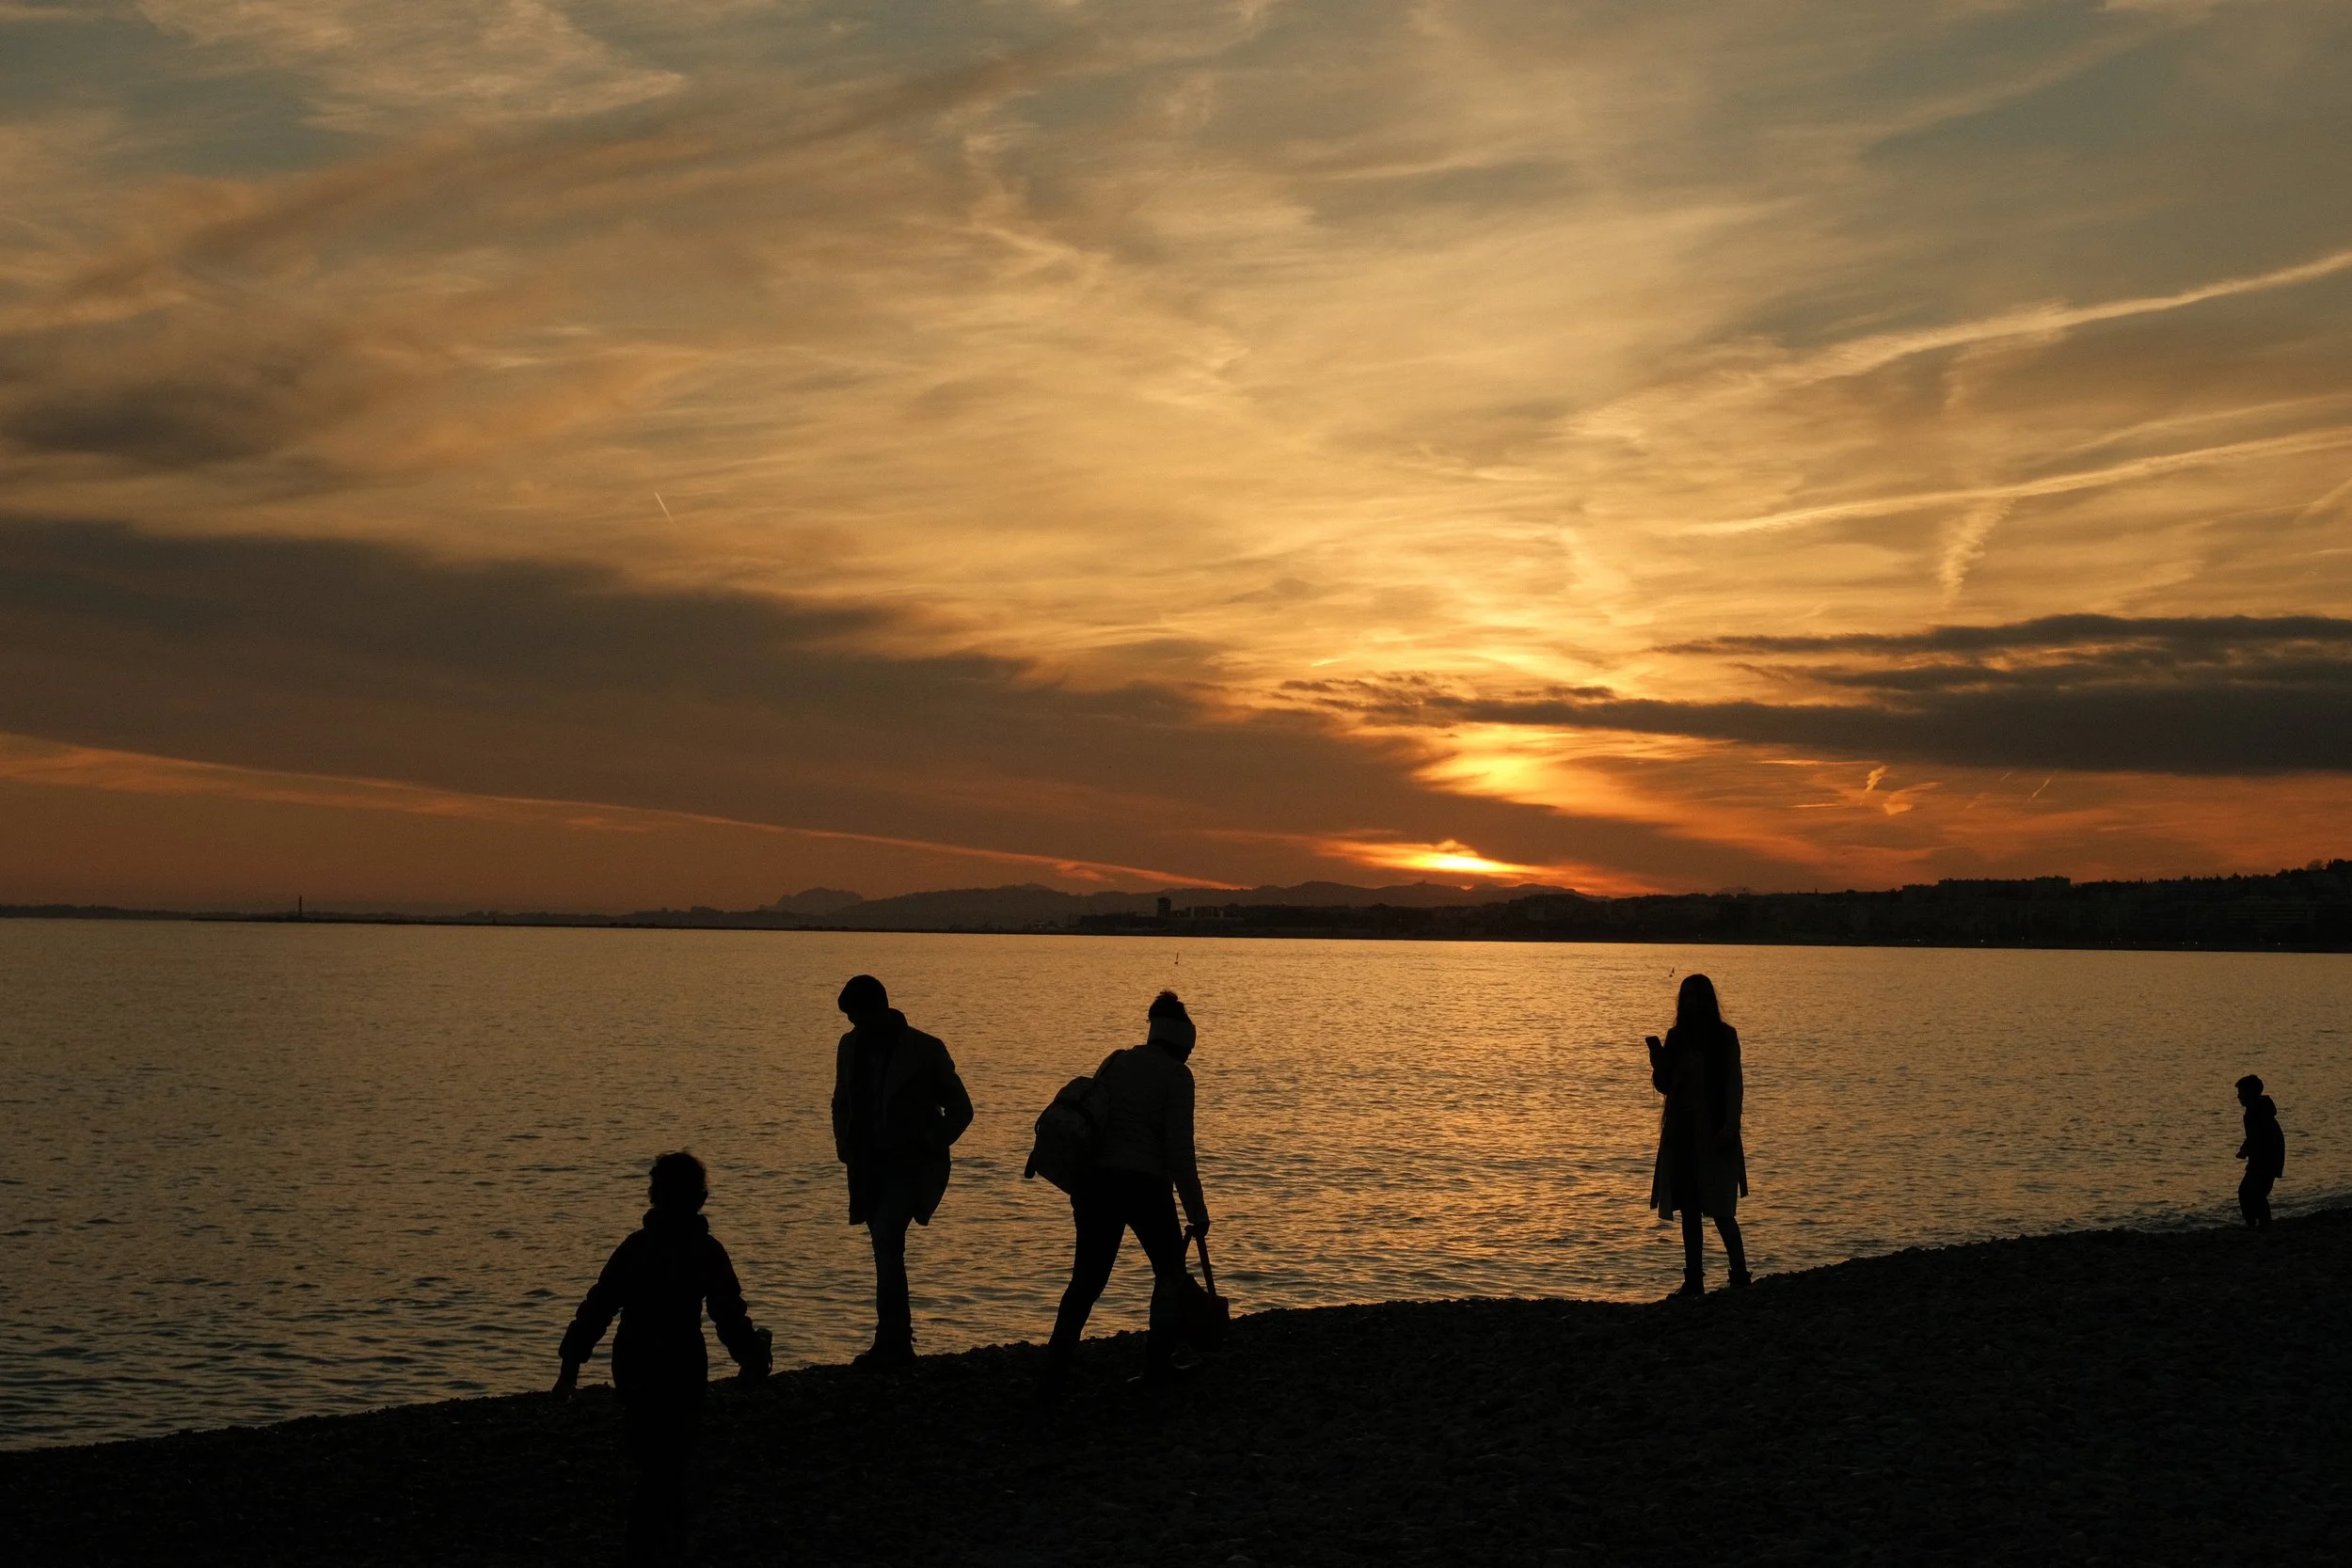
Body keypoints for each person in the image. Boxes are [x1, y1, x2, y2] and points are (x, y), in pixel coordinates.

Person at [554, 1150, 771, 1567]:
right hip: (682, 1359)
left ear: (655, 1196)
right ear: (701, 1200)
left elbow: (597, 1309)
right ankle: (666, 1542)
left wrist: (569, 1371)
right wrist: (750, 1359)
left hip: (634, 1357)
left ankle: (649, 1543)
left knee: (653, 1457)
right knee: (672, 1461)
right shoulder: (706, 1250)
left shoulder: (635, 1248)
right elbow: (728, 1313)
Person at [1041, 990, 1211, 1397]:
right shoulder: (1177, 1076)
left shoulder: (1116, 1061)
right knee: (1169, 1274)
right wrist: (1196, 1211)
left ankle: (1054, 1373)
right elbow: (1179, 1151)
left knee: (1086, 1280)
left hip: (1095, 1183)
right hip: (1145, 1185)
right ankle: (1158, 1366)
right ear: (1184, 1043)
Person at [830, 974, 974, 1370]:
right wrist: (844, 1146)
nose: (853, 1027)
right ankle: (893, 1341)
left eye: (857, 1017)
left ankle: (893, 1343)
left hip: (911, 1166)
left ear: (879, 1010)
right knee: (885, 1249)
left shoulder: (926, 1050)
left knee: (888, 1242)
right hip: (867, 1165)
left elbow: (962, 1110)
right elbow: (840, 1102)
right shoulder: (849, 1047)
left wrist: (931, 1142)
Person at [1646, 974, 1750, 1297]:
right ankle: (1694, 1280)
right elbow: (1665, 1085)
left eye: (1695, 996)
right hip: (1681, 1132)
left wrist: (1730, 1127)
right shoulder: (1676, 1038)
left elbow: (1734, 1086)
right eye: (1685, 996)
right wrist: (1657, 1058)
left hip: (1715, 1130)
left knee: (1721, 1208)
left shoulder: (1724, 1037)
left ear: (1707, 1000)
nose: (1690, 1002)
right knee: (1689, 1207)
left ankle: (1740, 1275)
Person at [2234, 1074, 2286, 1229]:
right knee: (2252, 1192)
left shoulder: (2256, 1112)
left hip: (2267, 1158)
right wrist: (2245, 1149)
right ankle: (2258, 1223)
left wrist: (2247, 1150)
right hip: (2263, 1157)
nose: (2238, 1097)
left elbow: (2260, 1136)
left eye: (2241, 1093)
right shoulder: (2255, 1110)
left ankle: (2260, 1223)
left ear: (2249, 1093)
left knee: (2251, 1192)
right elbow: (2254, 1136)